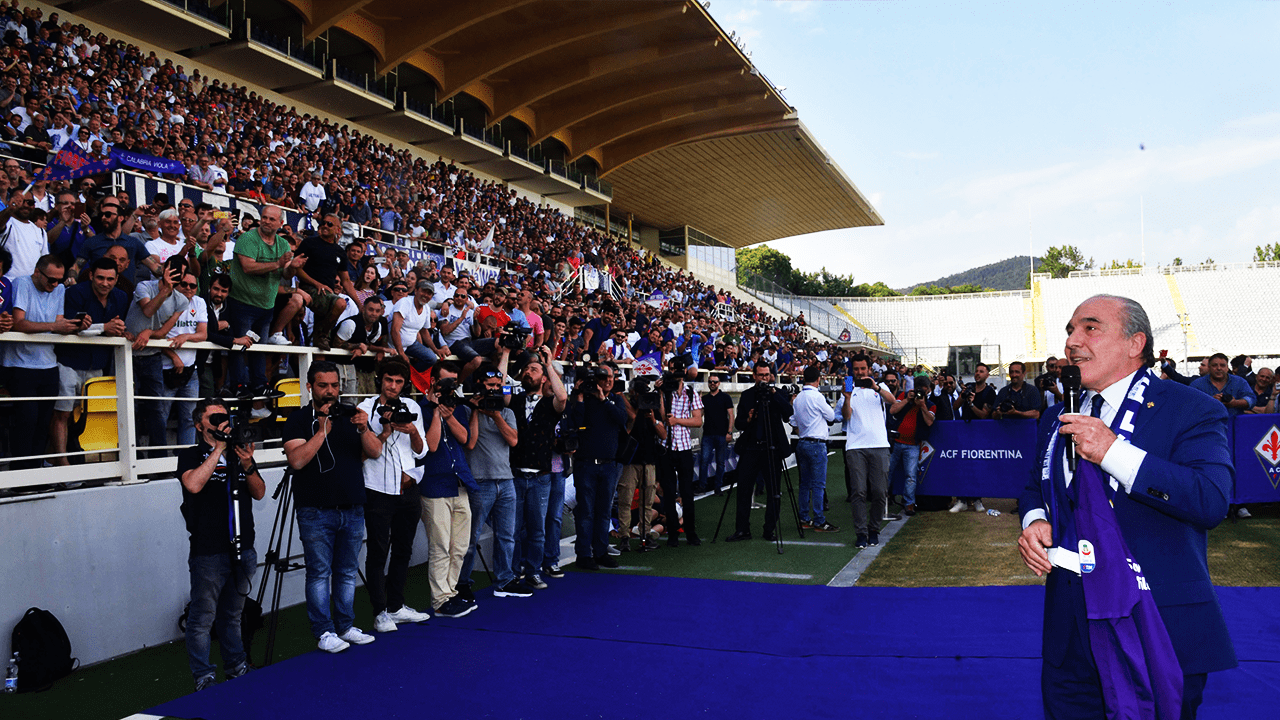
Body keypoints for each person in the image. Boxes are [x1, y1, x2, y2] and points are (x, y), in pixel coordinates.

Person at [1018, 294, 1236, 720]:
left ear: (1135, 343)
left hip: (1157, 621)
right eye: (1069, 330)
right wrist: (1035, 519)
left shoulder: (1192, 408)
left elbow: (1211, 500)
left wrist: (1113, 451)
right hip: (1071, 628)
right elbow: (1034, 487)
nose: (1072, 342)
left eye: (1090, 328)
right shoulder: (1057, 415)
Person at [282, 361, 380, 653]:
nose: (330, 392)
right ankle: (324, 631)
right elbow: (297, 460)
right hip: (315, 509)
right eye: (323, 386)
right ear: (310, 386)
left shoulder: (351, 415)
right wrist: (323, 430)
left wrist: (363, 428)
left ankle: (346, 626)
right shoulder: (298, 420)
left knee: (348, 571)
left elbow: (374, 451)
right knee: (319, 572)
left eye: (334, 386)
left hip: (352, 506)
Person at [177, 399, 264, 691]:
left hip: (243, 548)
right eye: (214, 418)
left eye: (225, 417)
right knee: (202, 619)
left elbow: (260, 492)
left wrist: (247, 462)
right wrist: (218, 449)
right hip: (209, 550)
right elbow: (193, 485)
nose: (221, 422)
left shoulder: (239, 453)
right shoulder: (191, 455)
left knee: (232, 616)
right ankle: (204, 677)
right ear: (200, 424)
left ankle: (236, 667)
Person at [356, 358, 430, 633]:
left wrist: (411, 431)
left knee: (403, 549)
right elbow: (363, 453)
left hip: (409, 490)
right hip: (377, 491)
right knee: (377, 552)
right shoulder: (365, 409)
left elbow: (421, 451)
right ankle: (379, 612)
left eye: (399, 382)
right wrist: (382, 427)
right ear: (380, 380)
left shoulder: (412, 408)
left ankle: (396, 606)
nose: (394, 386)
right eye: (389, 380)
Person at [456, 366, 534, 598]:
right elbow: (470, 443)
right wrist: (476, 411)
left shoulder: (506, 412)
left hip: (506, 481)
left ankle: (505, 580)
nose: (494, 391)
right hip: (480, 482)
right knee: (471, 537)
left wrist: (496, 415)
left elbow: (513, 440)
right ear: (479, 385)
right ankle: (462, 583)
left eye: (498, 386)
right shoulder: (467, 409)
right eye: (490, 386)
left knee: (507, 536)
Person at [49, 257, 128, 465]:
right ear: (91, 275)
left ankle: (85, 460)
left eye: (110, 279)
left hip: (98, 366)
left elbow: (119, 326)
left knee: (90, 416)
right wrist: (104, 328)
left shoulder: (120, 297)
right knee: (63, 413)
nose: (105, 283)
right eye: (100, 277)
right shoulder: (75, 293)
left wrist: (120, 330)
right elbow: (71, 327)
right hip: (69, 362)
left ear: (117, 278)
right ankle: (61, 462)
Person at [416, 361, 480, 618]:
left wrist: (450, 415)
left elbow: (465, 439)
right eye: (445, 383)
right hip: (434, 483)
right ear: (433, 383)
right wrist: (434, 410)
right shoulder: (420, 408)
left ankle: (451, 592)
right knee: (440, 545)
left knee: (460, 545)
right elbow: (431, 446)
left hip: (460, 482)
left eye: (453, 382)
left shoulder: (456, 407)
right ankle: (440, 599)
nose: (450, 388)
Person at [2, 254, 75, 468]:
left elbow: (59, 322)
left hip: (48, 364)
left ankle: (36, 474)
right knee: (26, 420)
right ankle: (22, 474)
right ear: (37, 272)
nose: (55, 284)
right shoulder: (22, 283)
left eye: (59, 280)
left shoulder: (59, 289)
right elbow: (19, 323)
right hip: (19, 364)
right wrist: (55, 327)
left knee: (43, 422)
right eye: (50, 279)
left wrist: (75, 325)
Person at [508, 345, 568, 588]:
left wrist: (549, 362)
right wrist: (504, 354)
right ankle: (513, 572)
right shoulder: (515, 399)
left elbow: (562, 397)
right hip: (516, 474)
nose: (527, 372)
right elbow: (502, 385)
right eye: (525, 369)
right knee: (513, 530)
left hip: (541, 476)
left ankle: (533, 570)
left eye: (533, 369)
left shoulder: (549, 404)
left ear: (543, 377)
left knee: (537, 529)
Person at [227, 205, 303, 391]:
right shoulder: (247, 238)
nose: (267, 222)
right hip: (241, 302)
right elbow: (248, 267)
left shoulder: (283, 244)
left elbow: (285, 274)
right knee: (240, 347)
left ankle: (259, 384)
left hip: (266, 305)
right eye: (265, 217)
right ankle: (239, 385)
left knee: (260, 348)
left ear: (281, 223)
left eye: (271, 219)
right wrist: (278, 263)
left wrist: (294, 267)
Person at [568, 362, 628, 568]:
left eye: (611, 378)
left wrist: (604, 400)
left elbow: (622, 419)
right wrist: (580, 396)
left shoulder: (616, 401)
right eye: (603, 378)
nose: (608, 381)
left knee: (603, 511)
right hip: (585, 465)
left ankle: (601, 551)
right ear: (595, 380)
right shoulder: (583, 400)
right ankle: (584, 555)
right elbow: (574, 420)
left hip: (609, 465)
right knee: (585, 511)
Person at [726, 361, 793, 542]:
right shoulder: (747, 396)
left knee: (774, 491)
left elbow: (788, 413)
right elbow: (738, 424)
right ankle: (742, 529)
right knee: (743, 491)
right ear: (754, 375)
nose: (763, 378)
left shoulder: (778, 393)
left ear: (771, 376)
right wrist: (748, 418)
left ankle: (769, 529)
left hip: (772, 448)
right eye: (760, 375)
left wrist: (773, 394)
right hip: (751, 447)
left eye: (766, 375)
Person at [1190, 353, 1256, 519]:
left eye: (1222, 365)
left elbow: (1251, 400)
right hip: (1208, 434)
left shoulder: (1239, 382)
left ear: (1227, 367)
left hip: (1237, 435)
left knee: (1240, 467)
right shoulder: (1197, 384)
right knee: (1214, 469)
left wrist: (1234, 403)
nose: (1219, 368)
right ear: (1210, 367)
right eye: (1215, 365)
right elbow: (1189, 405)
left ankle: (1240, 504)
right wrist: (1210, 402)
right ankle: (1218, 505)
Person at [842, 353, 897, 547]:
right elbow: (846, 416)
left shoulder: (879, 385)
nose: (859, 373)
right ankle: (861, 533)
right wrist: (847, 398)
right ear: (852, 370)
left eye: (862, 369)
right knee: (858, 492)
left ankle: (874, 529)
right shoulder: (848, 385)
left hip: (879, 444)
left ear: (869, 369)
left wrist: (875, 387)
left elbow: (893, 401)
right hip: (856, 446)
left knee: (880, 491)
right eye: (856, 369)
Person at [657, 357, 703, 547]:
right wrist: (660, 392)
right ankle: (673, 534)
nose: (676, 375)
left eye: (679, 371)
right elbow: (661, 416)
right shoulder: (664, 391)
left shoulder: (691, 393)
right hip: (666, 446)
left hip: (684, 446)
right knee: (668, 493)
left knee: (687, 492)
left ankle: (691, 532)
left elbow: (698, 421)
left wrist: (677, 420)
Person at [791, 365, 839, 533]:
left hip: (802, 442)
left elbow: (793, 421)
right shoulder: (817, 397)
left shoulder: (798, 398)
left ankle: (804, 517)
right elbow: (831, 417)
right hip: (816, 443)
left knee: (805, 484)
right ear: (818, 379)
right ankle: (819, 520)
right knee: (818, 484)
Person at [949, 362, 998, 513]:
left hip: (981, 433)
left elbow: (984, 415)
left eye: (981, 371)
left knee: (977, 466)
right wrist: (964, 396)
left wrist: (970, 404)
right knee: (963, 465)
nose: (978, 373)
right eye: (976, 371)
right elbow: (955, 406)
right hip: (964, 431)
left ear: (987, 375)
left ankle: (977, 499)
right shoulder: (968, 387)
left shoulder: (990, 392)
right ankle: (962, 499)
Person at [887, 374, 935, 516]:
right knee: (887, 473)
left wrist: (923, 406)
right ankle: (882, 500)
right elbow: (892, 410)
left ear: (928, 391)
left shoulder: (931, 404)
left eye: (924, 391)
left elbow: (929, 422)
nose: (921, 394)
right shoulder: (905, 395)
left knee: (911, 476)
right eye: (919, 390)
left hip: (913, 444)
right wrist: (908, 399)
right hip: (895, 442)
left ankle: (909, 503)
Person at [699, 372, 735, 494]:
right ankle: (702, 486)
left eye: (715, 382)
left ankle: (718, 487)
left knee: (720, 462)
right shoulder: (704, 399)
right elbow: (700, 416)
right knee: (703, 462)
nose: (712, 384)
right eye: (710, 382)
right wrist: (698, 403)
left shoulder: (725, 397)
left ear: (719, 383)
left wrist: (729, 432)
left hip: (722, 434)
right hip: (707, 435)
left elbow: (731, 415)